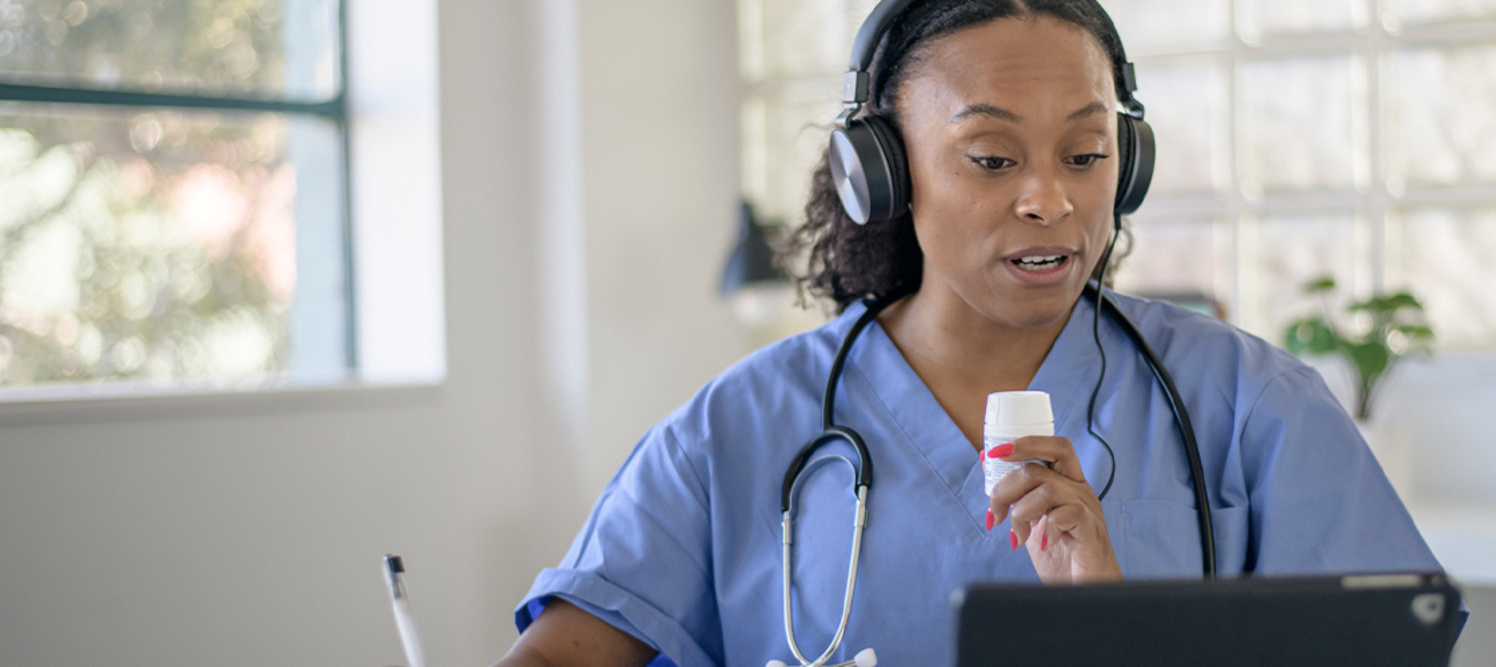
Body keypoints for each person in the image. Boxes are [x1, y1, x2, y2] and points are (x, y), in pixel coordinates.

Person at [494, 2, 1445, 666]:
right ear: (884, 175)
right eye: (992, 158)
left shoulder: (1250, 408)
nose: (1051, 199)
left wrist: (1117, 626)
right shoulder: (732, 431)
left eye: (1086, 154)